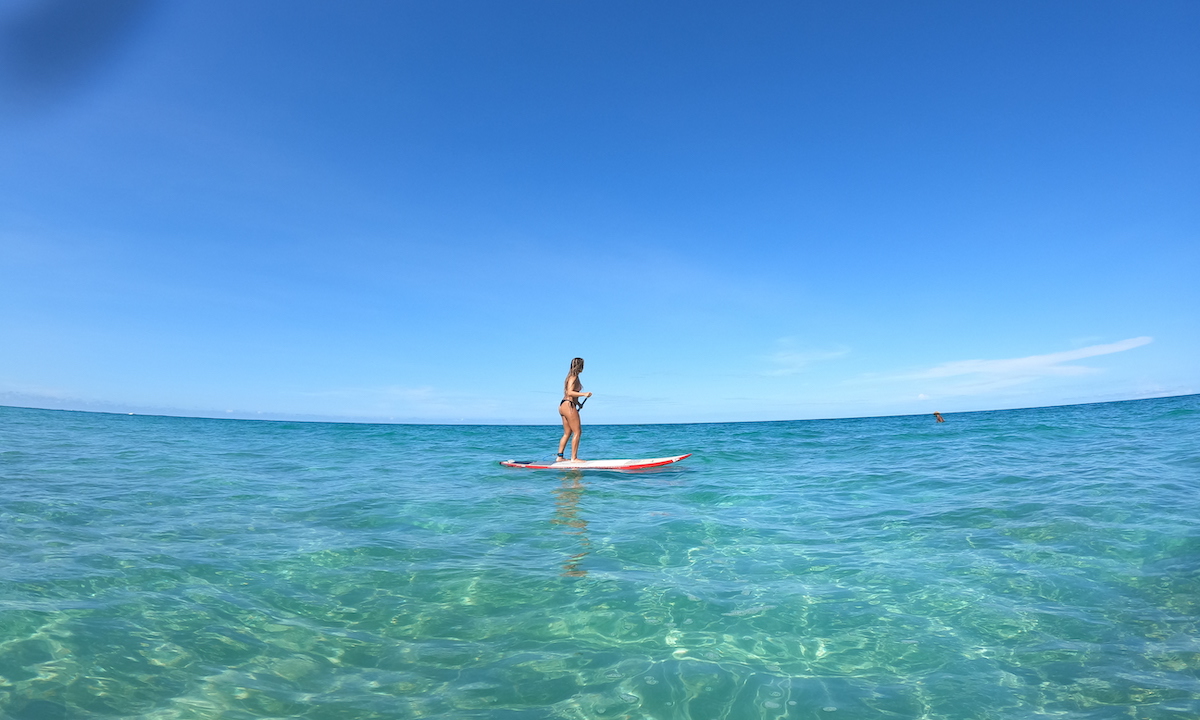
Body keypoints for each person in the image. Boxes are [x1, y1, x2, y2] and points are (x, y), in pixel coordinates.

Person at [556, 357, 592, 462]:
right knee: (577, 432)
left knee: (567, 433)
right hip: (568, 405)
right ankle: (574, 458)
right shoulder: (573, 377)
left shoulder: (570, 377)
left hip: (564, 405)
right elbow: (570, 392)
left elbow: (572, 395)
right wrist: (584, 394)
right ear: (580, 366)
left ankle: (560, 457)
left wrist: (578, 403)